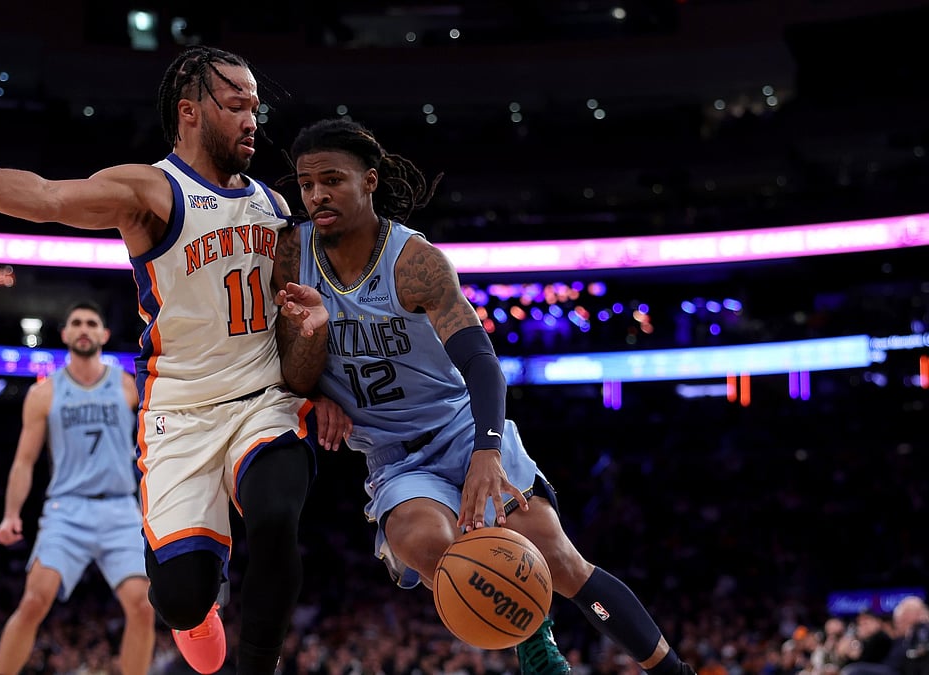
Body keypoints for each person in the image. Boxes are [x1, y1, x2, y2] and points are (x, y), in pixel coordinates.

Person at [0, 46, 324, 675]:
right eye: (235, 106)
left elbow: (300, 319)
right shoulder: (152, 189)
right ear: (191, 113)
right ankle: (194, 606)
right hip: (180, 412)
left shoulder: (275, 208)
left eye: (256, 106)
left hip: (262, 398)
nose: (253, 119)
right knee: (179, 600)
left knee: (278, 515)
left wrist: (323, 378)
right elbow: (48, 197)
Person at [272, 118, 697, 675]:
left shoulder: (415, 263)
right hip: (394, 455)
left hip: (464, 427)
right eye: (306, 184)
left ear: (370, 181)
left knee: (559, 559)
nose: (316, 195)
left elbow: (483, 367)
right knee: (428, 544)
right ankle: (531, 636)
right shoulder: (290, 253)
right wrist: (313, 379)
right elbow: (293, 374)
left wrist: (486, 453)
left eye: (332, 180)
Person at [0, 301, 154, 675]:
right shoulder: (44, 393)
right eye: (77, 323)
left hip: (120, 509)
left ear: (104, 334)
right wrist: (11, 514)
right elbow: (24, 461)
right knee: (34, 601)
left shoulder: (128, 386)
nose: (84, 328)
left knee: (144, 606)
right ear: (64, 334)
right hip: (67, 510)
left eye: (92, 323)